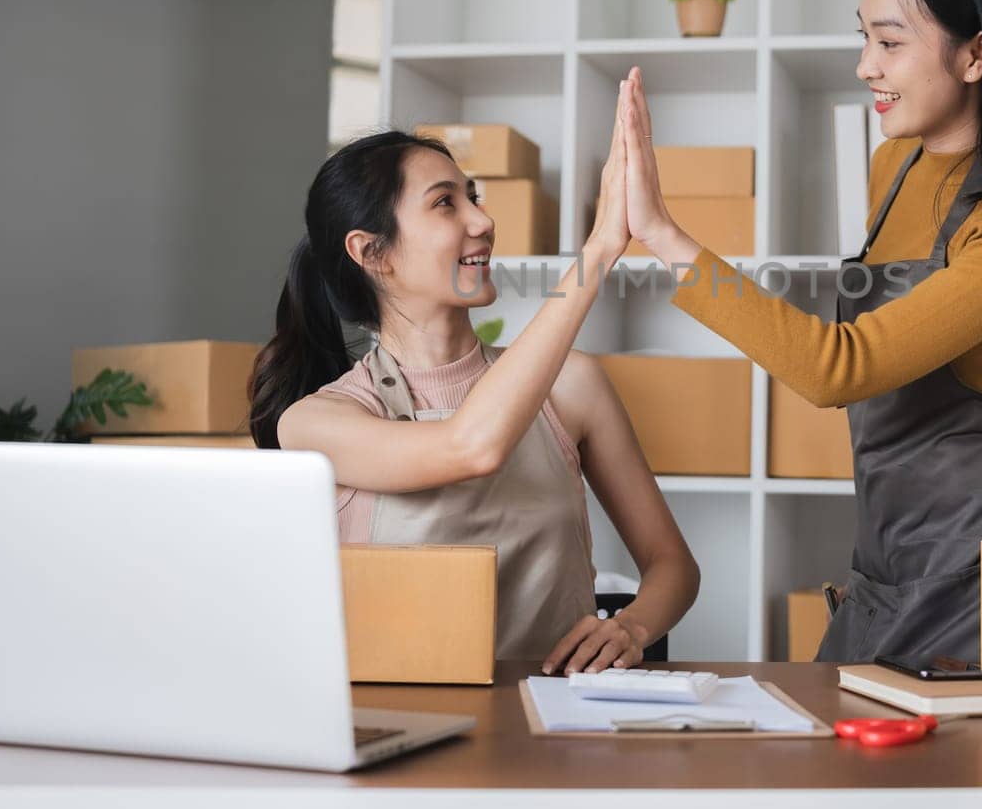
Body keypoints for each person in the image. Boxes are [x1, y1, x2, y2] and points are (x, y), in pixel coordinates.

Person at [617, 0, 982, 663]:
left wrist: (665, 235)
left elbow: (842, 367)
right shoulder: (892, 164)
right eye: (864, 38)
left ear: (977, 53)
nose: (865, 66)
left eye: (889, 43)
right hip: (887, 548)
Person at [249, 82, 699, 675]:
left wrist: (632, 627)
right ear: (372, 252)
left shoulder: (573, 387)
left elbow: (672, 564)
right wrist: (598, 251)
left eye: (475, 197)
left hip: (553, 725)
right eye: (445, 204)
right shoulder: (317, 421)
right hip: (399, 722)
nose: (483, 221)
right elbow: (472, 446)